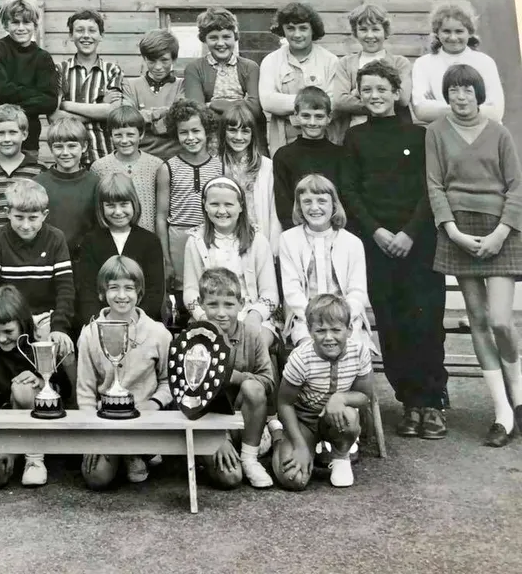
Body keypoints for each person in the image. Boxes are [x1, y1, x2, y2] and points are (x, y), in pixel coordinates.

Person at [341, 59, 447, 439]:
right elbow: (349, 190)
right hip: (377, 245)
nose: (375, 96)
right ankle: (409, 402)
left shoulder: (419, 135)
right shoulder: (355, 138)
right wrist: (377, 232)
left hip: (418, 244)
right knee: (391, 325)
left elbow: (430, 188)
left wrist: (409, 233)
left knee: (424, 321)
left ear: (396, 93)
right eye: (367, 90)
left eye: (382, 89)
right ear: (359, 95)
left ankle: (431, 402)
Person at [425, 63, 522, 447]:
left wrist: (501, 233)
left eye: (467, 89)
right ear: (446, 95)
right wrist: (453, 232)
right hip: (458, 231)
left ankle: (519, 398)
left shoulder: (499, 132)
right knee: (478, 320)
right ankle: (502, 414)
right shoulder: (436, 131)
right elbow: (435, 186)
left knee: (500, 320)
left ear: (478, 94)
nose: (460, 96)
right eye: (454, 90)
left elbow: (516, 187)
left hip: (501, 231)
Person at [77, 256, 173, 489]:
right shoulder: (90, 334)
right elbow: (85, 391)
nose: (122, 295)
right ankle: (123, 454)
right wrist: (93, 437)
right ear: (103, 293)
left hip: (145, 417)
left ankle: (138, 452)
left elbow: (168, 381)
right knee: (97, 478)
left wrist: (154, 404)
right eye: (114, 288)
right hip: (106, 420)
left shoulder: (158, 333)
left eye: (129, 288)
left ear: (139, 292)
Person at [0, 285, 75, 488]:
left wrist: (41, 380)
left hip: (32, 422)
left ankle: (33, 458)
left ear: (22, 323)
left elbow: (65, 389)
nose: (2, 338)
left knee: (22, 388)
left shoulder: (37, 343)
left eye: (8, 331)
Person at [272, 295, 374, 490]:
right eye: (320, 330)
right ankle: (278, 436)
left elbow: (364, 396)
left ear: (349, 329)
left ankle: (341, 457)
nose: (328, 337)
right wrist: (300, 446)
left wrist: (340, 398)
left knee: (349, 416)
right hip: (304, 420)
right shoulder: (301, 358)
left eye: (336, 330)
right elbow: (284, 403)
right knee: (294, 479)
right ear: (310, 330)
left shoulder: (360, 352)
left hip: (335, 418)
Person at [196, 268, 276, 489]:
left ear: (241, 304)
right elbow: (187, 395)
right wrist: (218, 436)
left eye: (229, 305)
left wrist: (237, 377)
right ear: (201, 304)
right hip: (207, 421)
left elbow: (268, 381)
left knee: (253, 387)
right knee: (231, 479)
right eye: (213, 304)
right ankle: (205, 454)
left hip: (244, 421)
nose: (221, 313)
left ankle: (249, 458)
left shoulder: (252, 335)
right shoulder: (194, 337)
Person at [183, 176, 280, 354]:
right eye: (214, 204)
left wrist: (255, 316)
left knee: (254, 346)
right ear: (205, 205)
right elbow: (190, 291)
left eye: (228, 204)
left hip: (249, 313)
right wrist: (203, 316)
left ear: (241, 206)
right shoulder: (195, 241)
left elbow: (270, 293)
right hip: (210, 313)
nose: (222, 211)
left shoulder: (257, 240)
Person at [279, 175, 372, 354]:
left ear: (334, 205)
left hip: (346, 320)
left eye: (322, 201)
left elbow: (357, 292)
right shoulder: (288, 239)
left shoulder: (352, 242)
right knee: (311, 353)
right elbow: (292, 290)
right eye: (307, 202)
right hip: (306, 320)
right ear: (299, 206)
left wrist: (341, 319)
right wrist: (314, 319)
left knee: (351, 352)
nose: (314, 208)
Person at [0, 178, 76, 339]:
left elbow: (65, 289)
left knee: (59, 345)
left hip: (45, 318)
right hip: (7, 318)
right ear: (7, 213)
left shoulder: (56, 238)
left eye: (33, 218)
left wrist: (59, 326)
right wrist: (4, 319)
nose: (26, 225)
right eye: (19, 217)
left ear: (44, 215)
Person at [73, 173, 165, 331]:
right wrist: (100, 325)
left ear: (134, 204)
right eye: (110, 205)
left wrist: (135, 324)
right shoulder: (91, 241)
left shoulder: (150, 241)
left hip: (141, 326)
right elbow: (87, 291)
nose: (118, 211)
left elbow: (154, 292)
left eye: (124, 204)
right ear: (101, 207)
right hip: (102, 325)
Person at [155, 100, 223, 296]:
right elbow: (161, 218)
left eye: (196, 131)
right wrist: (166, 260)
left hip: (211, 237)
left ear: (206, 131)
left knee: (212, 292)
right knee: (183, 294)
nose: (191, 138)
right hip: (179, 241)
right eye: (184, 132)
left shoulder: (220, 167)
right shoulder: (168, 168)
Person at [0, 0, 59, 157]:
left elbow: (49, 101)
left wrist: (4, 106)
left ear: (35, 25)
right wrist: (34, 92)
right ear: (5, 24)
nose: (21, 28)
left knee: (28, 174)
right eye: (15, 22)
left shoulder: (43, 58)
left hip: (28, 139)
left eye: (27, 22)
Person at [258, 2, 341, 155]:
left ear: (313, 29)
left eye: (303, 28)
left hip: (323, 140)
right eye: (290, 28)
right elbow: (268, 101)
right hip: (283, 141)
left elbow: (333, 102)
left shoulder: (330, 61)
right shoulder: (271, 61)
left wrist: (289, 105)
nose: (297, 35)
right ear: (282, 29)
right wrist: (315, 102)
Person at [411, 0, 506, 126]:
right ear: (437, 32)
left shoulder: (485, 62)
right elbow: (422, 111)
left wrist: (438, 106)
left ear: (470, 32)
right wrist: (475, 108)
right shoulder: (423, 64)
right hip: (445, 132)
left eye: (459, 31)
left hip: (483, 131)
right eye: (446, 31)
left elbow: (495, 112)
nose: (453, 37)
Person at [330, 3, 413, 140]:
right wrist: (383, 100)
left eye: (375, 29)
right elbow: (340, 101)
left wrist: (356, 94)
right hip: (355, 134)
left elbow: (403, 99)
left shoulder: (399, 63)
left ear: (385, 31)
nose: (370, 35)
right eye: (363, 29)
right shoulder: (345, 63)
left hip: (393, 133)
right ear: (355, 32)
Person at [52, 8, 125, 165]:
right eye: (80, 30)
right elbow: (54, 117)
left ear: (101, 35)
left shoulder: (112, 70)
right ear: (71, 35)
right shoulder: (59, 70)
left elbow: (113, 113)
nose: (86, 35)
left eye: (92, 30)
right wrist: (100, 110)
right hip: (70, 159)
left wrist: (67, 105)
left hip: (105, 156)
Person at [271, 87, 342, 232]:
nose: (312, 122)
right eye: (306, 116)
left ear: (329, 117)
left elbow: (344, 199)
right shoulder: (284, 155)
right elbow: (284, 204)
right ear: (296, 116)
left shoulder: (340, 155)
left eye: (319, 116)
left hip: (335, 232)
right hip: (298, 233)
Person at [0, 104, 45, 241]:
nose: (7, 139)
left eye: (12, 132)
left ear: (24, 134)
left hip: (29, 242)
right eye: (0, 133)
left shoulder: (39, 170)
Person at [218, 102, 280, 254]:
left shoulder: (267, 166)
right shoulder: (216, 164)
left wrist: (272, 250)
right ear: (223, 132)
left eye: (245, 131)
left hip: (259, 240)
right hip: (224, 242)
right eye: (232, 130)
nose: (238, 137)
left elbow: (273, 211)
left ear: (253, 134)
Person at [90, 105, 164, 232]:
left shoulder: (156, 165)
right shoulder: (99, 167)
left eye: (130, 134)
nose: (124, 141)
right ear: (111, 136)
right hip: (113, 237)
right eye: (118, 135)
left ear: (141, 134)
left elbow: (161, 211)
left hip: (149, 237)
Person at [181, 7, 262, 123]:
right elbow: (197, 111)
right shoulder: (194, 68)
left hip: (244, 130)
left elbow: (255, 109)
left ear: (235, 37)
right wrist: (241, 105)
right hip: (210, 130)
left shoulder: (250, 67)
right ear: (204, 39)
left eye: (226, 37)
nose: (220, 43)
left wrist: (214, 104)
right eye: (213, 38)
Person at [34, 115, 101, 256]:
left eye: (72, 146)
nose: (65, 153)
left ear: (84, 147)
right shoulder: (38, 184)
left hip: (85, 259)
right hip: (47, 259)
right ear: (51, 148)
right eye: (58, 147)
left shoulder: (96, 184)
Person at [121, 30, 183, 160]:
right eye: (152, 61)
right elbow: (128, 119)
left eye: (164, 60)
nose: (158, 67)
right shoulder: (129, 85)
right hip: (139, 157)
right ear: (144, 58)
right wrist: (163, 112)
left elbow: (180, 119)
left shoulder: (182, 85)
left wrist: (145, 117)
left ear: (174, 59)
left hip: (175, 158)